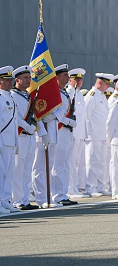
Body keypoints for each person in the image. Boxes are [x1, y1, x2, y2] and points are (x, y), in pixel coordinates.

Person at [10, 66, 46, 210]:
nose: (28, 80)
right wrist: (26, 126)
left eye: (29, 77)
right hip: (20, 136)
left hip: (30, 136)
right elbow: (15, 117)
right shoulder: (12, 95)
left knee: (26, 169)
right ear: (17, 80)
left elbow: (35, 115)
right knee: (18, 169)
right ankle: (17, 200)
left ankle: (24, 199)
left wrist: (42, 133)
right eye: (25, 78)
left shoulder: (28, 95)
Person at [49, 64, 78, 206]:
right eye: (65, 75)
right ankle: (56, 195)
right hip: (59, 131)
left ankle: (63, 194)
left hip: (67, 133)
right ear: (57, 77)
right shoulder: (55, 93)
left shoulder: (65, 92)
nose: (68, 78)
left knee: (66, 165)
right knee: (58, 165)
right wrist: (69, 121)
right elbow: (54, 114)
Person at [84, 73, 113, 198]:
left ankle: (100, 186)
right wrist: (87, 134)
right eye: (107, 84)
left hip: (102, 135)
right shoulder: (92, 96)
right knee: (93, 162)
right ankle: (90, 187)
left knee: (102, 162)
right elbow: (86, 117)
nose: (108, 87)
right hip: (93, 135)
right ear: (100, 82)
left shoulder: (100, 95)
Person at [66, 68, 89, 199]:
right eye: (76, 79)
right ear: (70, 80)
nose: (79, 82)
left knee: (78, 162)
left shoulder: (78, 93)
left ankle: (75, 186)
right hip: (73, 133)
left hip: (80, 133)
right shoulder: (70, 92)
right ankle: (70, 188)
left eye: (80, 79)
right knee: (72, 162)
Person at [0, 66, 20, 213]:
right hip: (1, 141)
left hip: (10, 141)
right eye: (6, 80)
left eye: (10, 80)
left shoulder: (10, 98)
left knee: (9, 172)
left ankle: (5, 200)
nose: (9, 83)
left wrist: (16, 142)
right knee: (1, 173)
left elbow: (13, 123)